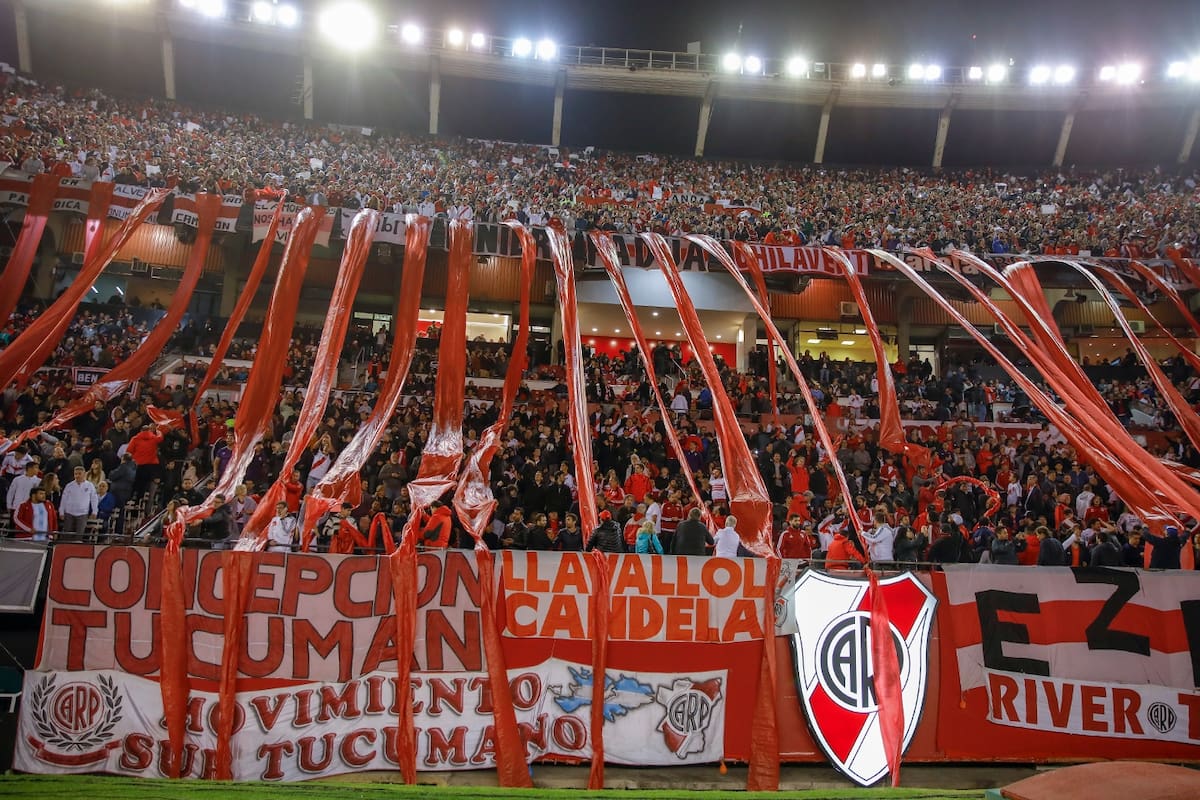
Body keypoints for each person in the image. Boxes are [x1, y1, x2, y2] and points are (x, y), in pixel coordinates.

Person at [59, 465, 98, 536]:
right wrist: (61, 511)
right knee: (67, 534)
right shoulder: (69, 486)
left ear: (84, 474)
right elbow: (64, 499)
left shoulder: (90, 486)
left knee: (79, 534)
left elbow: (94, 499)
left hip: (83, 514)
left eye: (79, 474)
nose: (77, 476)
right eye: (75, 474)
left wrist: (94, 511)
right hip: (69, 513)